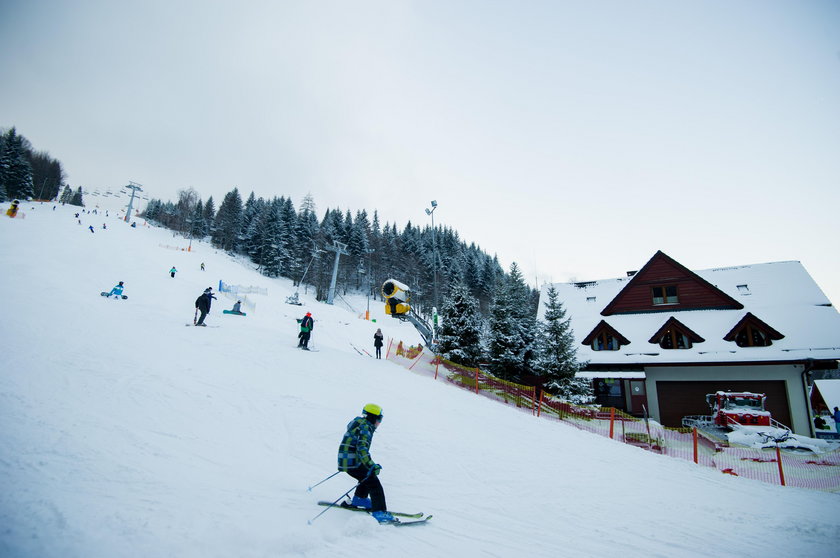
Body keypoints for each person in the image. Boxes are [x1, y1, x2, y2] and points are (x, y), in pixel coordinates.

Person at [337, 404, 394, 523]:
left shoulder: (360, 423)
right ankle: (379, 512)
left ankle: (360, 499)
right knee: (374, 483)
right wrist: (371, 464)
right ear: (373, 418)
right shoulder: (366, 428)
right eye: (379, 419)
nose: (379, 422)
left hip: (348, 460)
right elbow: (362, 448)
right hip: (352, 462)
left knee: (367, 476)